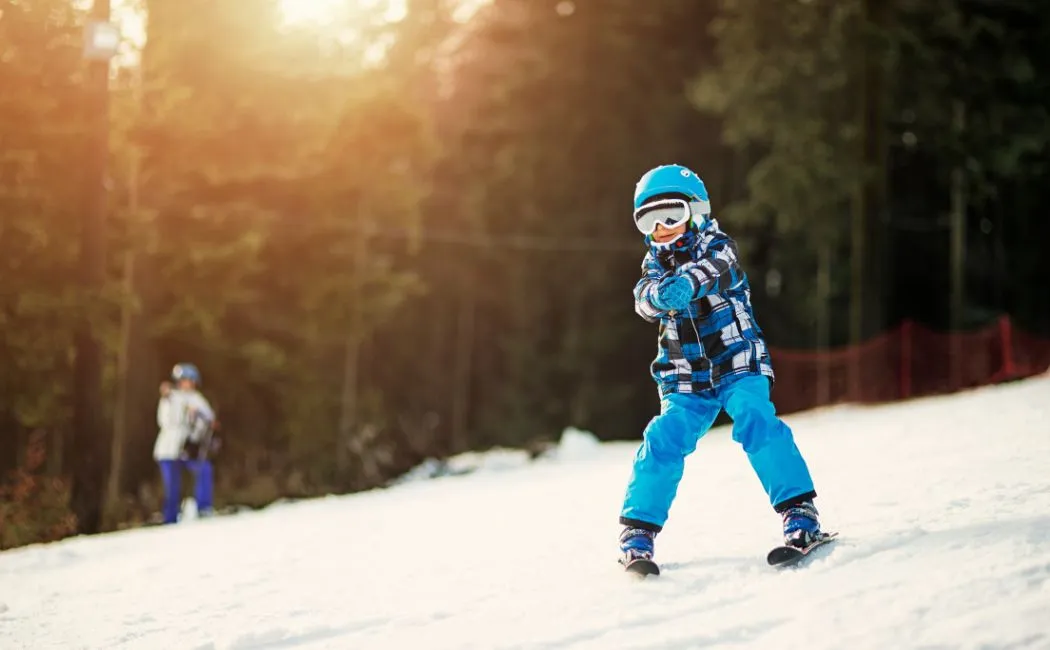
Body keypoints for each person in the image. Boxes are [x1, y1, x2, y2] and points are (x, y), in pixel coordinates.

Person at [618, 164, 824, 569]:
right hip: (685, 379)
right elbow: (643, 298)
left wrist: (689, 283)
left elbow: (718, 269)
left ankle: (799, 513)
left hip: (736, 363)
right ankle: (638, 532)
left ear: (696, 211)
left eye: (671, 216)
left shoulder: (719, 246)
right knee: (662, 437)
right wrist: (659, 296)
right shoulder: (654, 264)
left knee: (753, 417)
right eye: (649, 220)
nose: (661, 228)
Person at [153, 362, 216, 524]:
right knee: (172, 487)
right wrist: (178, 408)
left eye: (190, 380)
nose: (187, 383)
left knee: (204, 469)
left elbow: (209, 420)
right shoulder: (170, 397)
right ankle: (170, 518)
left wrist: (198, 420)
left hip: (189, 448)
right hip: (168, 450)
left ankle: (204, 508)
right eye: (184, 380)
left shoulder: (197, 399)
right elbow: (165, 421)